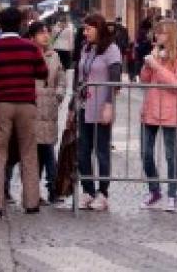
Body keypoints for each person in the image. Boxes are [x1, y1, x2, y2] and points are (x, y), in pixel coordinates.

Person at [0, 6, 47, 219]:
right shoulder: (30, 48)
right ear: (20, 24)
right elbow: (42, 72)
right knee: (28, 153)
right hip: (26, 104)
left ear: (0, 23)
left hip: (2, 104)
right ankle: (31, 202)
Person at [138, 18, 177, 212]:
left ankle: (173, 195)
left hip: (170, 110)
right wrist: (148, 65)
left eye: (160, 33)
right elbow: (144, 80)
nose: (156, 36)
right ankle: (154, 190)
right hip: (151, 109)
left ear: (170, 34)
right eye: (156, 32)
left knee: (171, 155)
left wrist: (156, 66)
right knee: (145, 153)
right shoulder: (157, 54)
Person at [75, 13, 122, 211]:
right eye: (84, 29)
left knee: (102, 152)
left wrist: (109, 105)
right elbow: (79, 78)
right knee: (83, 151)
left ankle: (103, 193)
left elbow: (115, 78)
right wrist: (72, 105)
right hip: (84, 107)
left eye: (89, 29)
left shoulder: (111, 50)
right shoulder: (85, 49)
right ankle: (88, 190)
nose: (85, 33)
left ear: (99, 28)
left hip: (101, 107)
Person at [27, 21, 66, 204]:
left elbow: (61, 79)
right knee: (35, 152)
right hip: (32, 108)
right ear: (32, 36)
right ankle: (36, 191)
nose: (45, 35)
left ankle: (52, 189)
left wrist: (58, 94)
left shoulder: (54, 56)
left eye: (47, 32)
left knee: (47, 149)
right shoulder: (26, 55)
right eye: (41, 33)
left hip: (49, 109)